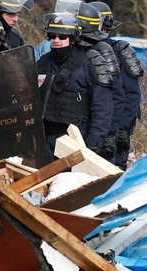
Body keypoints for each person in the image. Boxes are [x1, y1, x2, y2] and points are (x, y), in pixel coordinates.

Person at [36, 12, 114, 161]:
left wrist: (93, 143)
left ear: (73, 38)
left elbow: (102, 108)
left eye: (62, 37)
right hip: (44, 137)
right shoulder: (43, 62)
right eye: (52, 36)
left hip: (75, 139)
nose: (56, 40)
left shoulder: (89, 63)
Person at [89, 0, 144, 169]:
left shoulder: (118, 50)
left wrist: (121, 128)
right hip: (95, 126)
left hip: (118, 125)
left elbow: (131, 95)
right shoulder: (84, 49)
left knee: (114, 169)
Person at [68, 2, 122, 161]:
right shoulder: (66, 52)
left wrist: (107, 136)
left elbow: (115, 98)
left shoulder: (101, 50)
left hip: (93, 132)